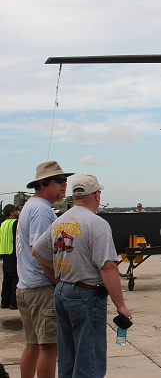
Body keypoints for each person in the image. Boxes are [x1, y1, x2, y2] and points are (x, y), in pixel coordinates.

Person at [32, 174, 132, 378]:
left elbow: (38, 252)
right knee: (90, 362)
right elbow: (107, 267)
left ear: (75, 196)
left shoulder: (60, 221)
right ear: (97, 195)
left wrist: (59, 280)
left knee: (68, 360)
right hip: (87, 295)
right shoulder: (97, 224)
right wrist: (120, 305)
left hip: (62, 292)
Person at [16, 161, 73, 378]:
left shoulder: (31, 206)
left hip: (26, 287)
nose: (64, 184)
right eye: (59, 180)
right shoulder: (41, 211)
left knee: (32, 345)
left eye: (65, 180)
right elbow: (40, 253)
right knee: (49, 347)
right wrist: (58, 283)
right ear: (43, 183)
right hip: (41, 288)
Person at [1, 204, 20, 310]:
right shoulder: (15, 223)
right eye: (16, 210)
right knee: (15, 279)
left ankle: (4, 302)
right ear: (11, 213)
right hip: (13, 253)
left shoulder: (3, 224)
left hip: (5, 253)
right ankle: (13, 303)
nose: (17, 212)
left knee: (7, 279)